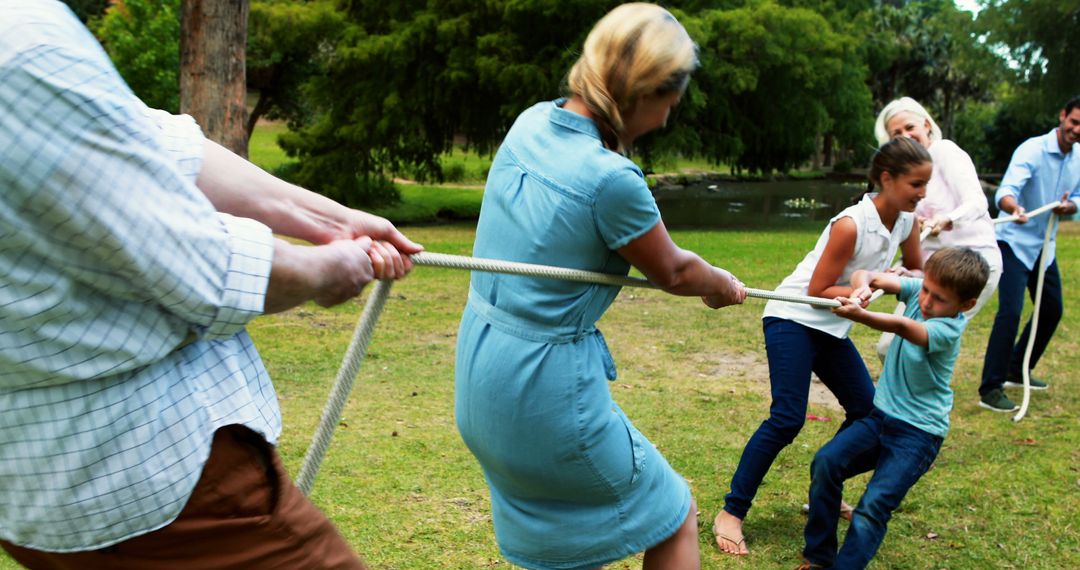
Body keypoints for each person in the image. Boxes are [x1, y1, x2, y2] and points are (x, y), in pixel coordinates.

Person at [0, 1, 421, 567]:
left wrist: (328, 220)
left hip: (35, 484)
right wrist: (326, 271)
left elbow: (151, 142)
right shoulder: (21, 47)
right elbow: (200, 267)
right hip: (141, 476)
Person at [453, 4, 746, 569]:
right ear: (640, 92)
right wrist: (720, 284)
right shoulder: (611, 179)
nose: (665, 120)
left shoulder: (531, 122)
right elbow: (675, 271)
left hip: (480, 377)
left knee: (569, 549)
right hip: (542, 393)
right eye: (668, 103)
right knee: (672, 513)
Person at [713, 137, 927, 556]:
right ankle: (732, 512)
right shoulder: (850, 224)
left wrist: (900, 275)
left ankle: (823, 487)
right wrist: (863, 288)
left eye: (926, 185)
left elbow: (916, 267)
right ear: (887, 179)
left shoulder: (906, 221)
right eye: (916, 184)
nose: (922, 194)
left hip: (833, 326)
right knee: (788, 417)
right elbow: (819, 288)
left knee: (869, 414)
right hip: (793, 317)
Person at [797, 247, 990, 570]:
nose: (927, 301)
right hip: (880, 418)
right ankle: (818, 556)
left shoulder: (948, 329)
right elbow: (872, 276)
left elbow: (902, 327)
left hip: (918, 434)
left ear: (966, 305)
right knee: (827, 463)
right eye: (926, 289)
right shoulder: (920, 292)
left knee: (874, 505)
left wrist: (862, 315)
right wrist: (862, 287)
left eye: (939, 298)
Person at [871, 97, 1003, 360]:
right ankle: (899, 397)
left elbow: (976, 201)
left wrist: (947, 219)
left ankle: (920, 399)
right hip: (932, 271)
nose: (906, 136)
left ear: (927, 125)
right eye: (896, 134)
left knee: (916, 347)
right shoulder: (903, 175)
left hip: (972, 265)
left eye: (910, 127)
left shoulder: (944, 151)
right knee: (889, 348)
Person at [978, 95, 1080, 412]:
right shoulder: (1032, 150)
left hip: (1043, 246)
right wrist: (1014, 207)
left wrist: (1070, 206)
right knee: (1010, 311)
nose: (1077, 130)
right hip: (1014, 241)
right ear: (1062, 115)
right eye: (1074, 122)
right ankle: (990, 389)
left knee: (1052, 309)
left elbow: (1079, 197)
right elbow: (1007, 191)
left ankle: (1016, 368)